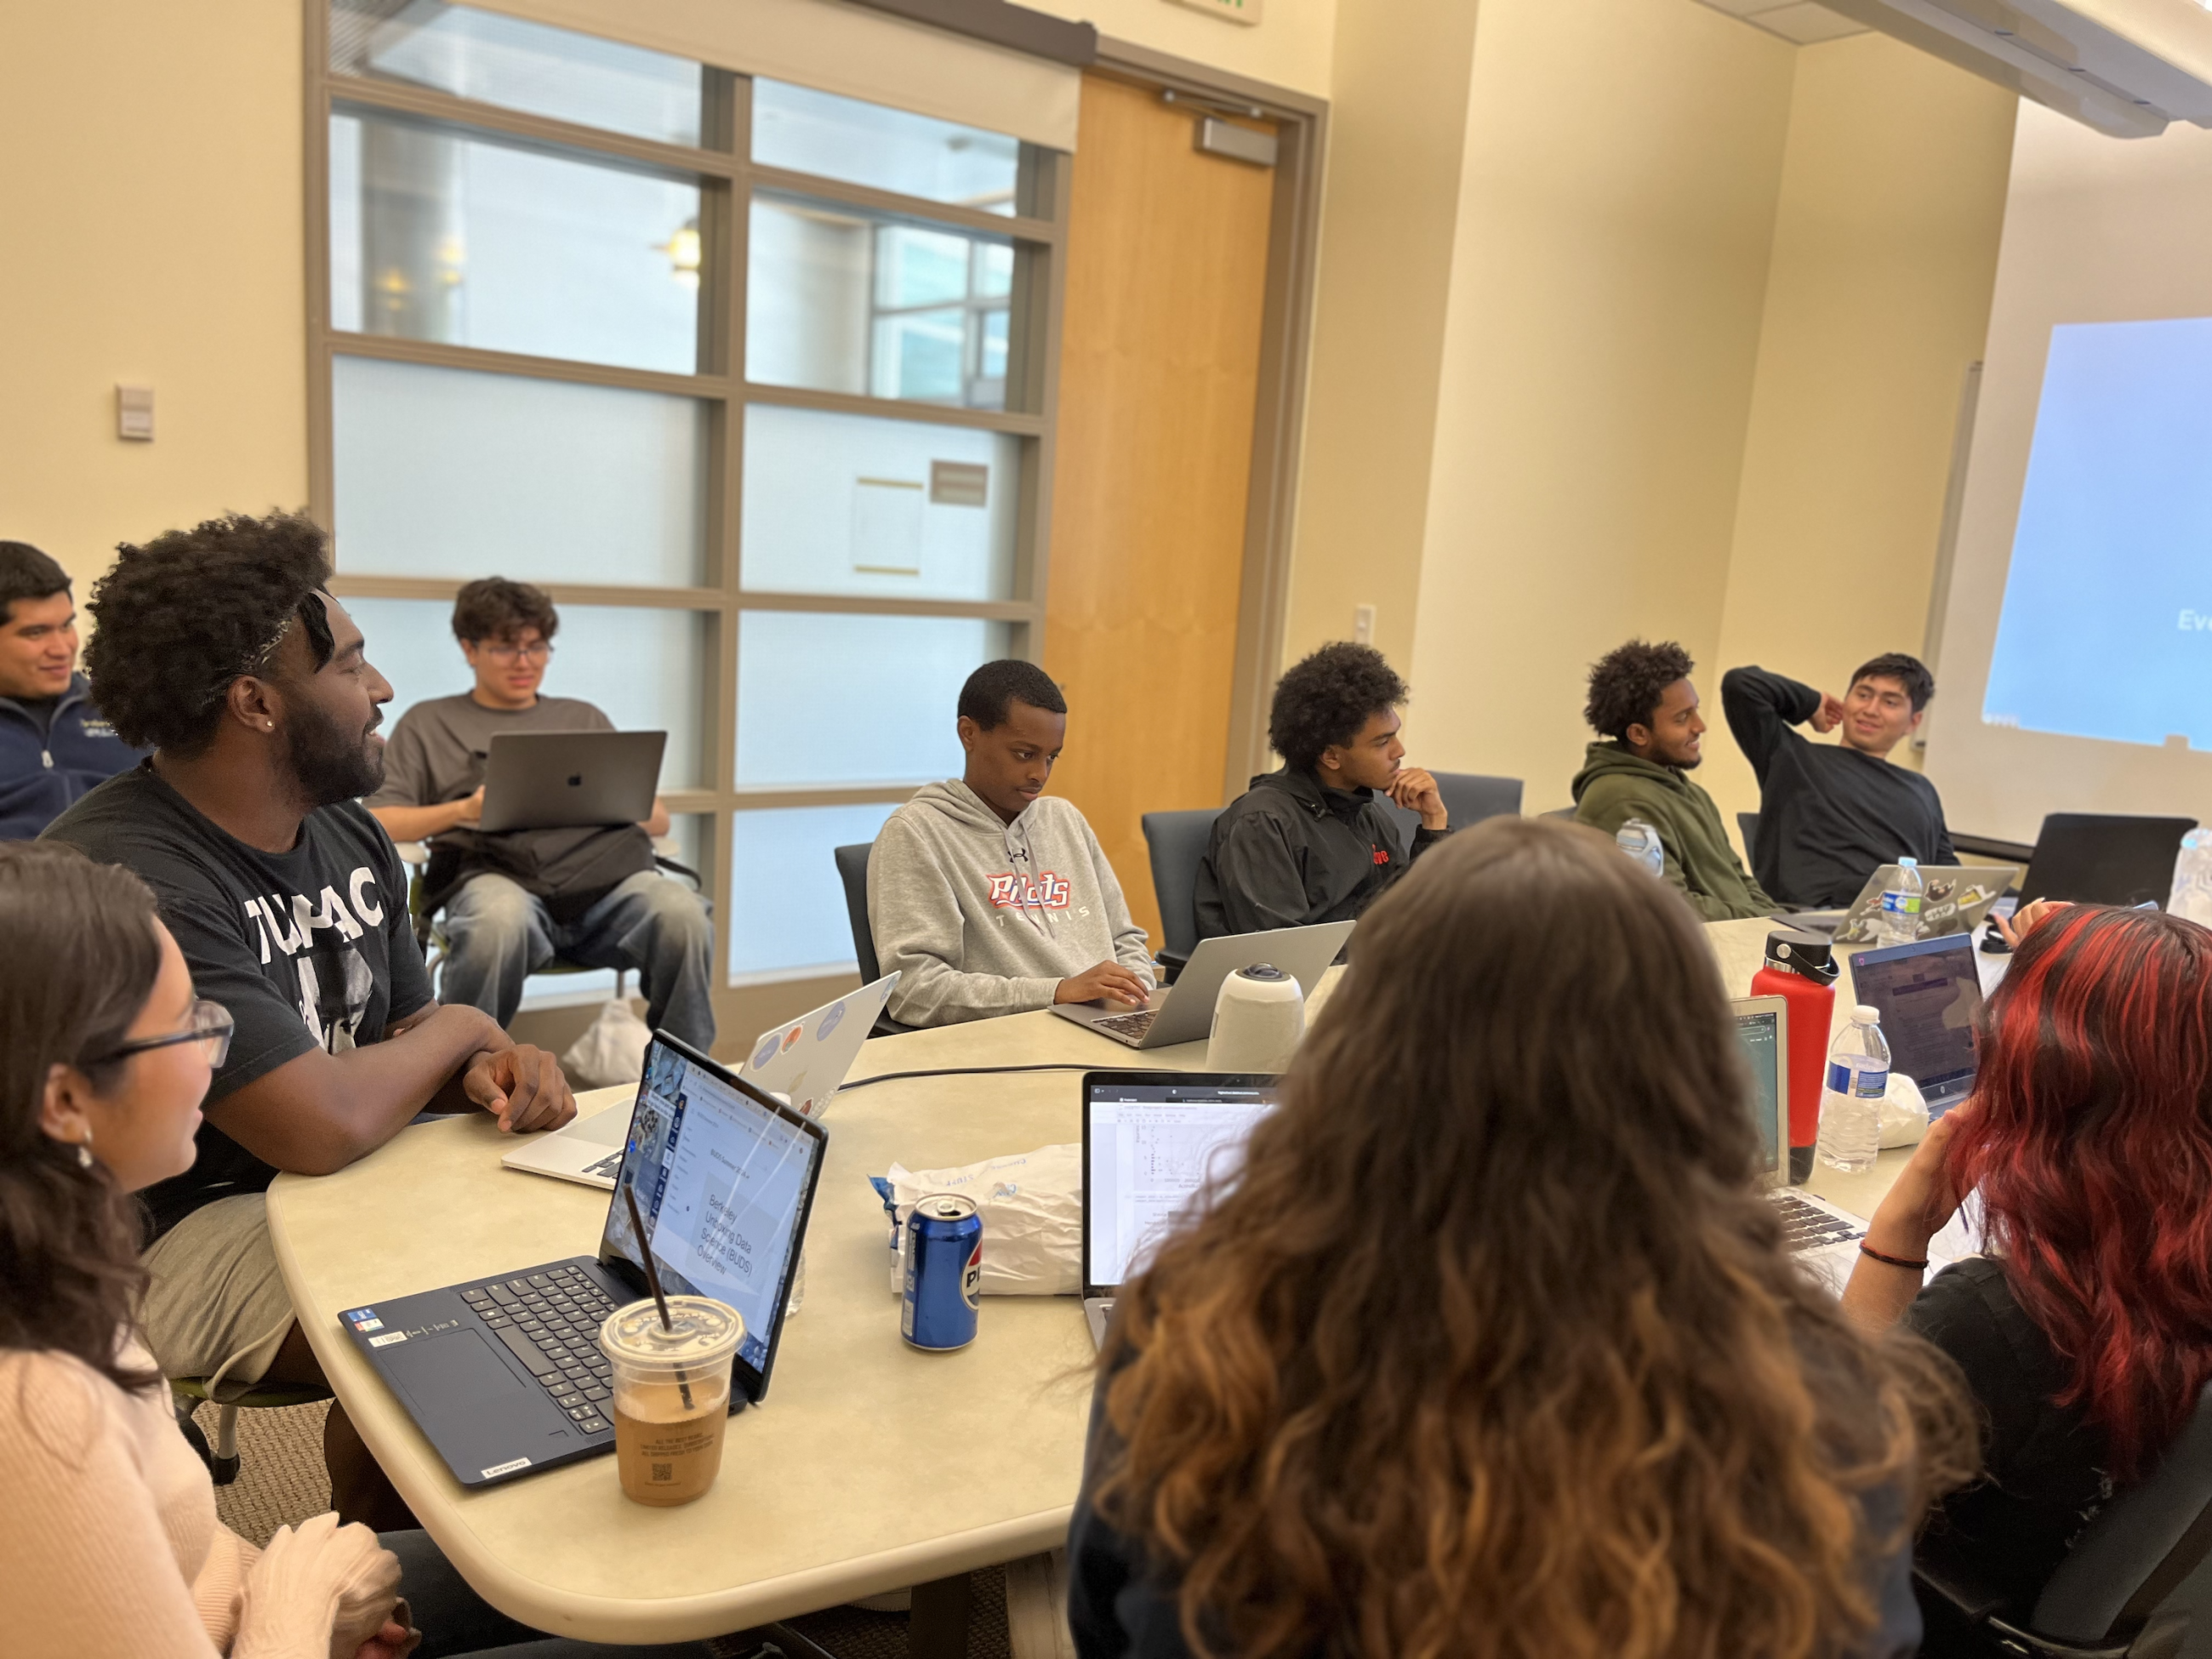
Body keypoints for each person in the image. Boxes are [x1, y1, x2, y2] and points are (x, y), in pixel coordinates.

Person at [1069, 818, 1974, 1659]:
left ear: (1357, 1057)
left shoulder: (1201, 1335)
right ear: (1695, 1081)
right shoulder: (1816, 1415)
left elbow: (1103, 1622)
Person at [0, 841, 716, 1659]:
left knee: (625, 1591)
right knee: (667, 1644)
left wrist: (281, 1582)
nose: (217, 1052)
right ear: (63, 1102)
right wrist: (294, 1605)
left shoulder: (56, 1271)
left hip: (245, 1618)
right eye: (183, 1027)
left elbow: (154, 1558)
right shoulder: (36, 1412)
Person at [42, 512, 575, 1526]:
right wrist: (467, 1028)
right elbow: (319, 1126)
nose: (381, 691)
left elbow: (401, 1039)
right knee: (450, 1311)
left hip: (339, 1181)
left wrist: (479, 1069)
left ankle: (418, 1572)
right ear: (255, 703)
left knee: (571, 1236)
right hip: (160, 1236)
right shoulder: (135, 877)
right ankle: (386, 1577)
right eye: (355, 665)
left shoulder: (346, 831)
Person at [1842, 902, 2212, 1645]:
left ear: (2030, 1080)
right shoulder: (2168, 1273)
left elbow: (1822, 1511)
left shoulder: (2003, 1320)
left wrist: (1897, 1238)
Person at [365, 578, 713, 1052]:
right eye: (507, 648)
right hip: (495, 879)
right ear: (470, 649)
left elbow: (658, 821)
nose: (525, 662)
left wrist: (609, 796)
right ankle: (459, 1074)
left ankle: (686, 1075)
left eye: (537, 647)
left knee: (682, 912)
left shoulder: (582, 718)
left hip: (603, 890)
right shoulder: (431, 723)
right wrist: (466, 809)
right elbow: (381, 823)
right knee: (497, 921)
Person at [869, 658, 1154, 1028]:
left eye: (1052, 757)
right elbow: (914, 990)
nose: (1040, 775)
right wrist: (1057, 992)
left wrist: (1137, 992)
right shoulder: (917, 832)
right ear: (968, 734)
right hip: (1012, 1038)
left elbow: (1125, 938)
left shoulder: (1065, 820)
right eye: (1025, 754)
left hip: (1106, 1024)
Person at [1193, 641, 1448, 939]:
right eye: (1382, 742)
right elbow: (1282, 956)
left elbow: (1418, 918)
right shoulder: (1262, 824)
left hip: (1368, 976)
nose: (1400, 751)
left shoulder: (1367, 812)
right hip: (1310, 982)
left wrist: (1434, 822)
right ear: (1331, 756)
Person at [1722, 656, 1955, 909]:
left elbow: (1947, 874)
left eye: (1889, 702)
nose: (1871, 709)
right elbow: (1741, 685)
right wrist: (1810, 702)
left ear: (1913, 722)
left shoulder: (1921, 789)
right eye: (1863, 695)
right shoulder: (1793, 759)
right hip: (1816, 924)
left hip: (1901, 924)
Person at [1572, 638, 1779, 921]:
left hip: (1738, 938)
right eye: (1682, 718)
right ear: (1639, 734)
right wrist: (1758, 921)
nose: (1700, 726)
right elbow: (1667, 908)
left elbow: (1741, 881)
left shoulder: (1692, 793)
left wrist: (1778, 922)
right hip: (1696, 953)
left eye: (1695, 710)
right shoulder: (1622, 799)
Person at [0, 539, 141, 839]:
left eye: (66, 626)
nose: (62, 648)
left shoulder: (123, 704)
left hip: (128, 880)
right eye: (36, 633)